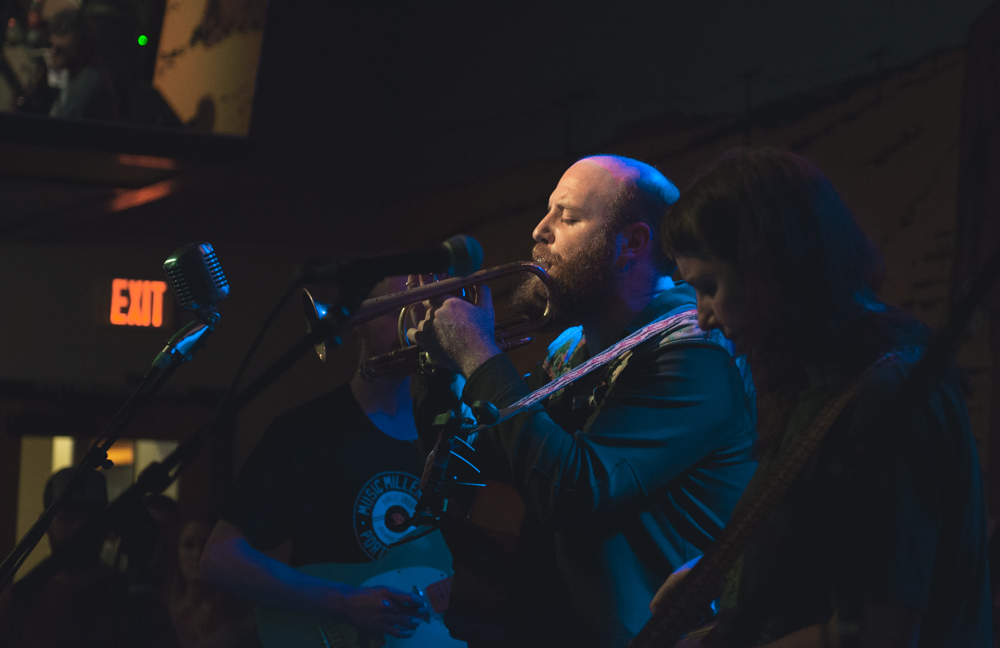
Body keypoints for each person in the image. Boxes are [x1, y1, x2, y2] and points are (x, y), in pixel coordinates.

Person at [407, 155, 758, 648]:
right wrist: (443, 373)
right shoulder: (571, 348)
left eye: (567, 218)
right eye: (548, 213)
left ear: (631, 243)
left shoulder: (691, 355)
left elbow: (575, 491)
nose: (539, 230)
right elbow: (487, 458)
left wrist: (480, 356)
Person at [649, 147, 991, 646]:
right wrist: (729, 571)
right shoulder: (820, 379)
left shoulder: (886, 393)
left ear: (770, 268)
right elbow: (826, 536)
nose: (702, 316)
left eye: (710, 286)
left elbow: (881, 632)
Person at [199, 277, 432, 645]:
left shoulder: (446, 433)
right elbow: (220, 558)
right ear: (358, 323)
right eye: (394, 310)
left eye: (423, 309)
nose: (413, 324)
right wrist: (345, 602)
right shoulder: (304, 431)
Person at [0, 468, 129, 647]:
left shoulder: (131, 598)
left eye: (91, 515)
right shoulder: (17, 603)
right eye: (66, 517)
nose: (79, 527)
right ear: (45, 524)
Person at [168, 519, 259, 648]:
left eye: (206, 545)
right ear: (177, 553)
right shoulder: (166, 614)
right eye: (189, 545)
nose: (197, 553)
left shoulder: (242, 613)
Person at [45, 9, 116, 120]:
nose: (52, 54)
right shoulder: (77, 73)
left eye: (61, 50)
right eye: (51, 46)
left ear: (82, 49)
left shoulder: (88, 83)